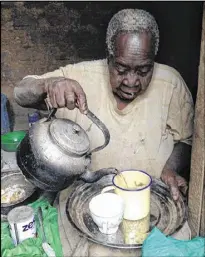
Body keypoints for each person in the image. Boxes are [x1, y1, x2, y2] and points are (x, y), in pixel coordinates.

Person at [14, 9, 193, 203]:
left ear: (153, 60)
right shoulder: (80, 76)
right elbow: (20, 93)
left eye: (143, 70)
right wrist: (48, 85)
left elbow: (186, 139)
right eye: (121, 69)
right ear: (108, 57)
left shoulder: (170, 84)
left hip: (149, 199)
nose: (131, 82)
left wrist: (170, 169)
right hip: (86, 200)